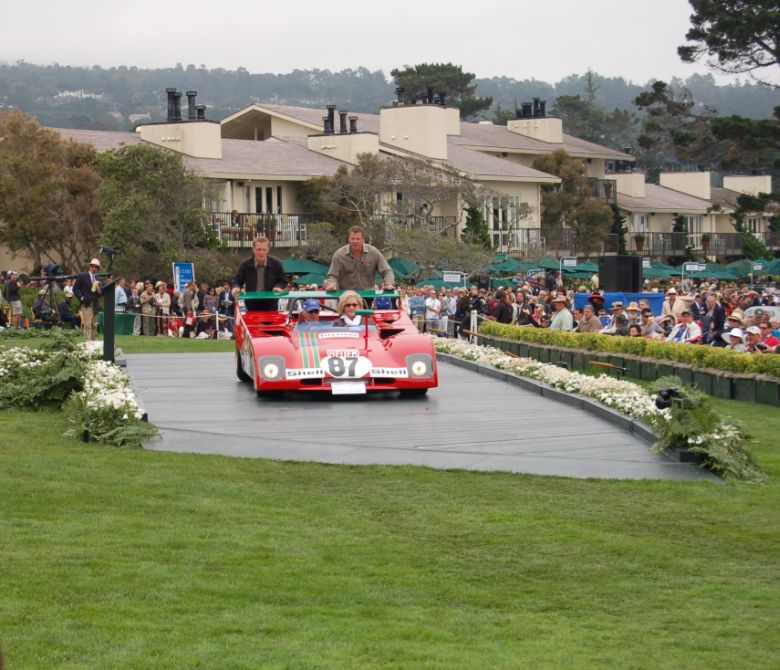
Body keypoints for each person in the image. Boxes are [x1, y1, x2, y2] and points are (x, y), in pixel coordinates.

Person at [324, 226, 394, 291]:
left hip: (367, 295)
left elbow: (387, 271)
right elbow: (333, 275)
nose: (355, 241)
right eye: (353, 239)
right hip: (345, 295)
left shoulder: (374, 252)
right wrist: (332, 284)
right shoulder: (339, 255)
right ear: (349, 239)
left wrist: (388, 283)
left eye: (358, 239)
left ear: (363, 239)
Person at [232, 236, 288, 310]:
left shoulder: (277, 264)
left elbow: (283, 280)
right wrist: (236, 287)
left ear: (268, 250)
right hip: (251, 306)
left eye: (264, 249)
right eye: (259, 249)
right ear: (253, 249)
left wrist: (278, 286)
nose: (261, 252)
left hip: (271, 305)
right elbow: (237, 281)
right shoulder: (245, 265)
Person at [73, 258, 102, 341]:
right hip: (86, 304)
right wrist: (82, 298)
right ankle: (88, 343)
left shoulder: (97, 279)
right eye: (93, 266)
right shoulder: (82, 276)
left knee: (94, 324)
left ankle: (93, 342)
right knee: (88, 324)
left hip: (95, 304)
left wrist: (99, 290)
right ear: (90, 266)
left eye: (96, 267)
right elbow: (75, 289)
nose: (94, 268)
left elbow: (99, 294)